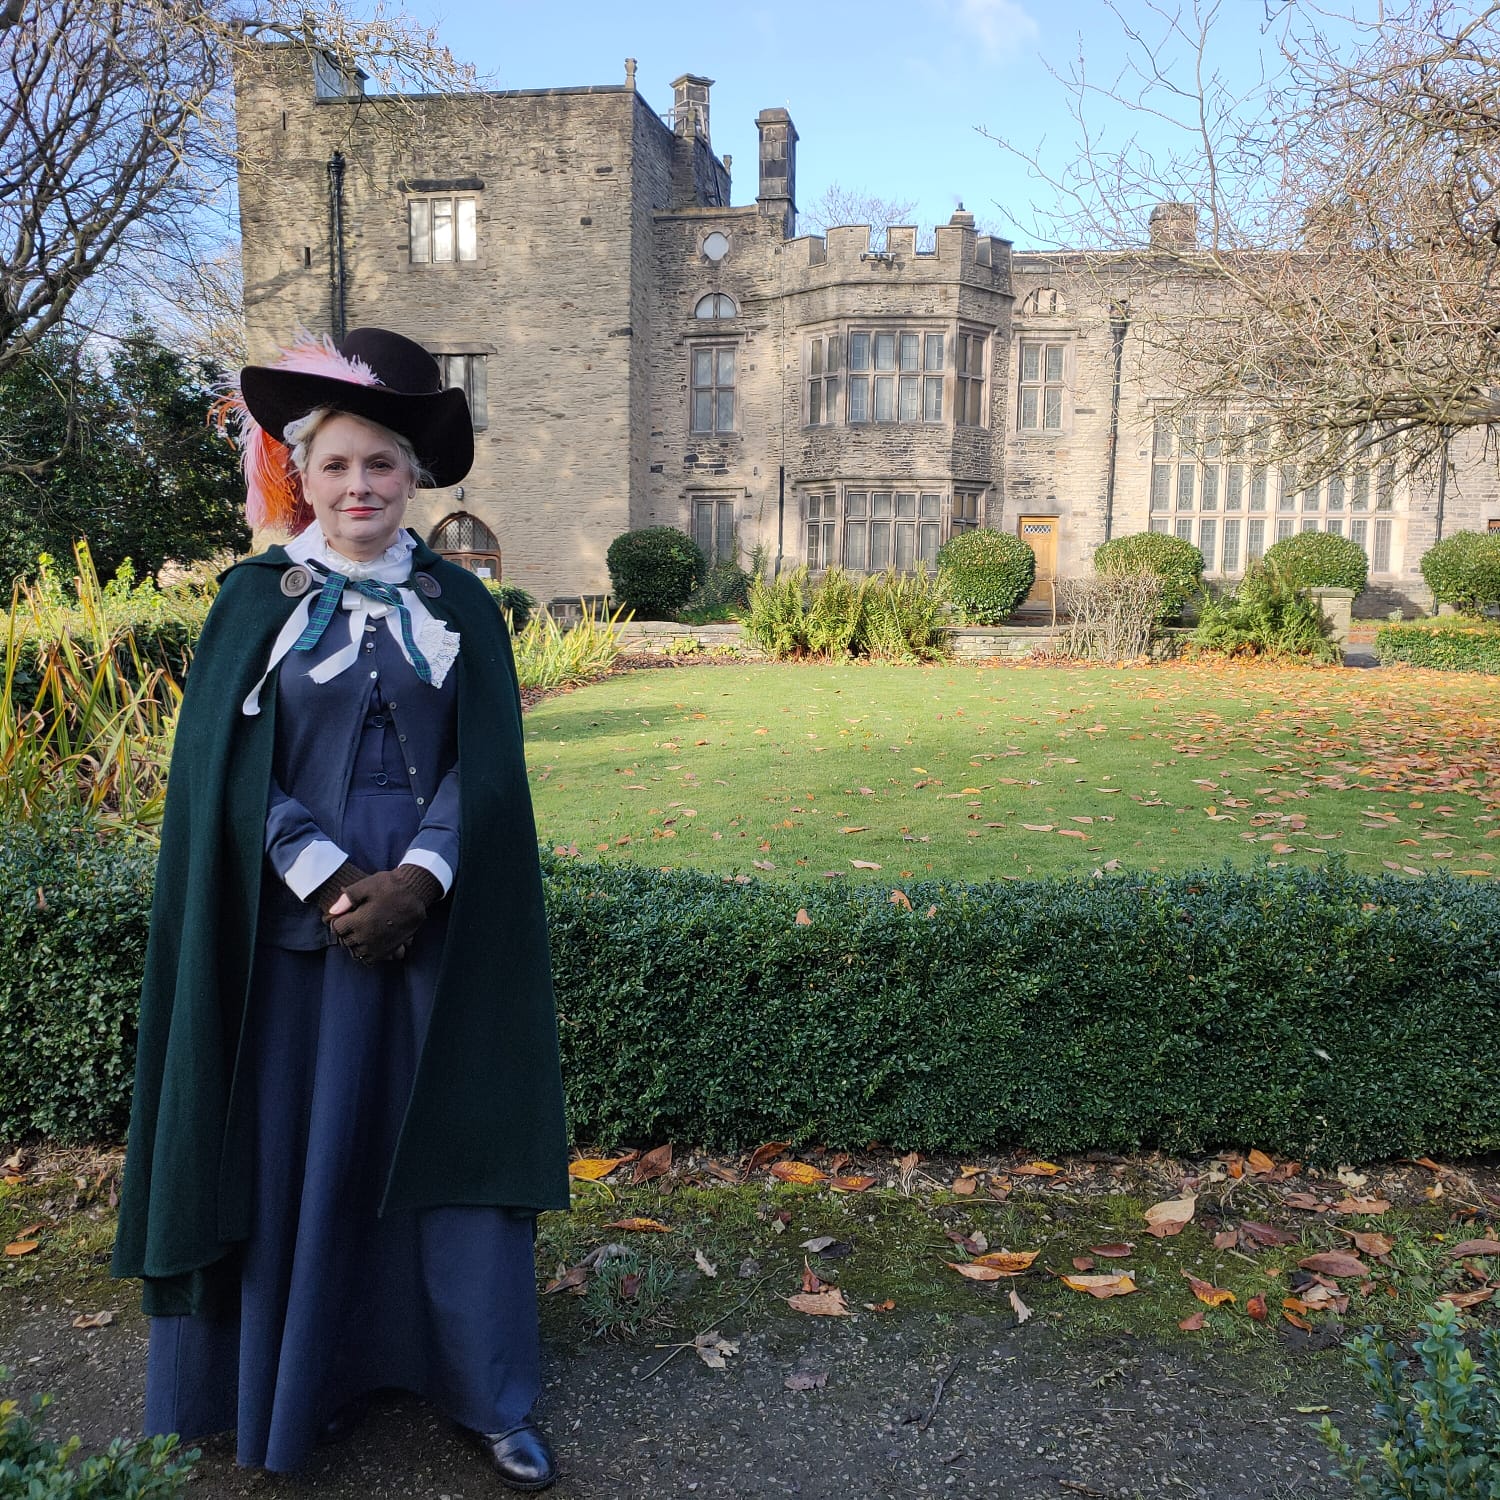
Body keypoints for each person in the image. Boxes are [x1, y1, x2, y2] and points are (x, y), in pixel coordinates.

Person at [111, 327, 569, 1492]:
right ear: (300, 478)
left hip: (436, 939)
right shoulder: (252, 603)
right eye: (338, 468)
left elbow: (491, 769)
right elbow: (223, 779)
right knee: (294, 1155)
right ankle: (296, 1382)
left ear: (414, 477)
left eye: (383, 466)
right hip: (292, 943)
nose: (361, 487)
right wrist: (322, 876)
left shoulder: (461, 605)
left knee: (448, 1150)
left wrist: (421, 878)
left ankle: (483, 1391)